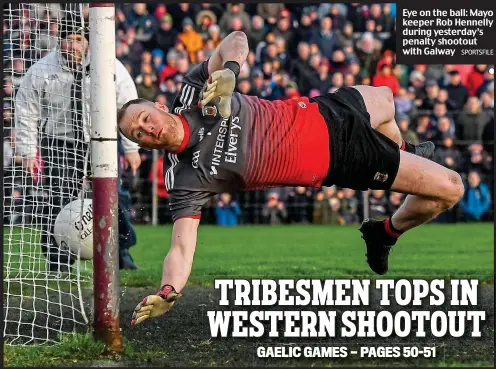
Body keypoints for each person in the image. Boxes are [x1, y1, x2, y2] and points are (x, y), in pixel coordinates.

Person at [117, 31, 463, 325]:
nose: (147, 128)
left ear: (160, 107)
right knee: (450, 189)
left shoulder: (196, 91)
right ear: (142, 146)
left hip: (322, 109)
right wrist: (168, 292)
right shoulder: (185, 177)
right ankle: (384, 232)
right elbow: (180, 247)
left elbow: (237, 38)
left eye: (145, 117)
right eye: (138, 133)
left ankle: (406, 152)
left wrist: (229, 72)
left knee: (385, 98)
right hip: (342, 156)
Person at [14, 11, 141, 273]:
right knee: (58, 203)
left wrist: (131, 148)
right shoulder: (41, 70)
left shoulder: (110, 66)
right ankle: (58, 261)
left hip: (102, 141)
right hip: (60, 143)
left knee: (115, 198)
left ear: (87, 41)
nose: (71, 45)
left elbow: (128, 107)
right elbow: (26, 112)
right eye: (66, 40)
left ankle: (121, 254)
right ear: (59, 41)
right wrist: (28, 152)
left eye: (77, 39)